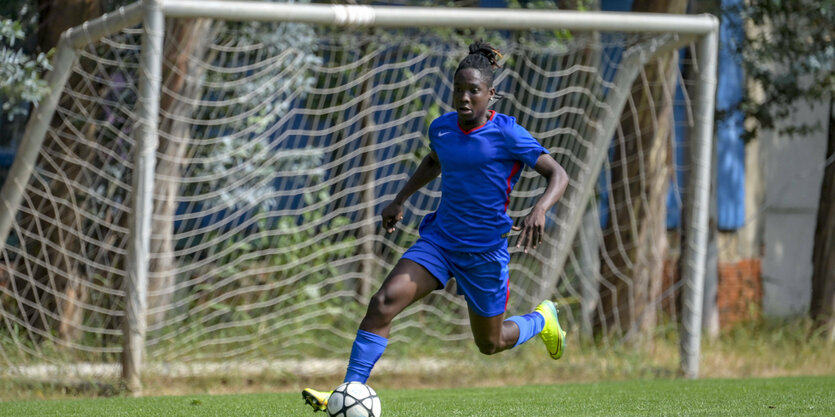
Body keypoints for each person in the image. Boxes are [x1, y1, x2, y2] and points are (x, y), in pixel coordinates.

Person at [302, 40, 569, 412]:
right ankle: (349, 390)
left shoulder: (508, 133)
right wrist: (401, 199)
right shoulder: (441, 128)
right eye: (458, 89)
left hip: (484, 253)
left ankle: (542, 320)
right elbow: (434, 161)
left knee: (490, 344)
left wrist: (541, 207)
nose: (463, 98)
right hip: (440, 242)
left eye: (473, 91)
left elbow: (558, 173)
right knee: (383, 303)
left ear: (491, 94)